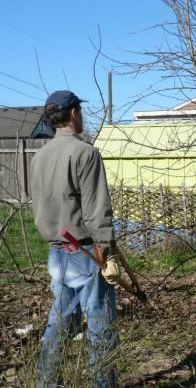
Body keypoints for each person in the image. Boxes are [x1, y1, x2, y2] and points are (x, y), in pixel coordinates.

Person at [30, 90, 118, 387]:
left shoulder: (39, 156)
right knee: (100, 325)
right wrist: (106, 251)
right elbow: (96, 208)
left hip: (56, 252)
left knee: (60, 321)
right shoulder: (86, 153)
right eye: (80, 110)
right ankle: (103, 383)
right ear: (74, 113)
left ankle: (46, 381)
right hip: (87, 252)